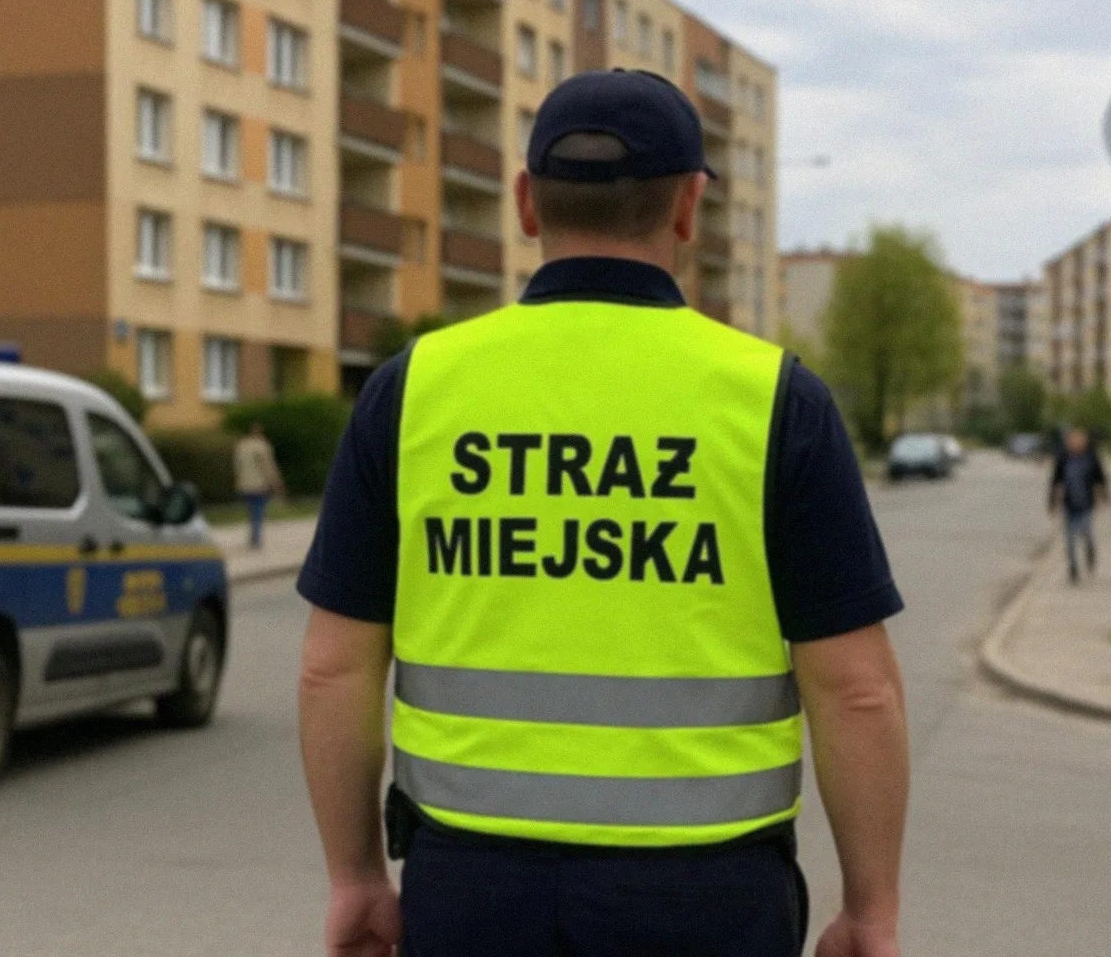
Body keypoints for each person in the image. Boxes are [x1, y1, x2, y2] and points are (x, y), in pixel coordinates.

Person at [296, 70, 910, 957]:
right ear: (689, 207)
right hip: (706, 897)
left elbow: (333, 670)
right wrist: (871, 908)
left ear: (525, 204)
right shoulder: (776, 401)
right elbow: (856, 689)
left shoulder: (412, 391)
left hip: (471, 892)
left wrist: (355, 878)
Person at [1049, 427, 1109, 583]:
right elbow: (1055, 481)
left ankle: (1090, 549)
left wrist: (1104, 496)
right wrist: (1052, 502)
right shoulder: (1063, 458)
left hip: (1087, 503)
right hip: (1069, 503)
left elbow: (1100, 478)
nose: (1075, 443)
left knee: (1085, 531)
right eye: (1072, 440)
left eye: (1079, 440)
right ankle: (1073, 568)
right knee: (1069, 537)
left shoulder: (1091, 458)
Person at [234, 422, 283, 549]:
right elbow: (268, 466)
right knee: (258, 511)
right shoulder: (262, 446)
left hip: (245, 484)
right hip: (259, 484)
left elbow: (237, 466)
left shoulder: (242, 445)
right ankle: (256, 539)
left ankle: (253, 537)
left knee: (251, 511)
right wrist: (276, 483)